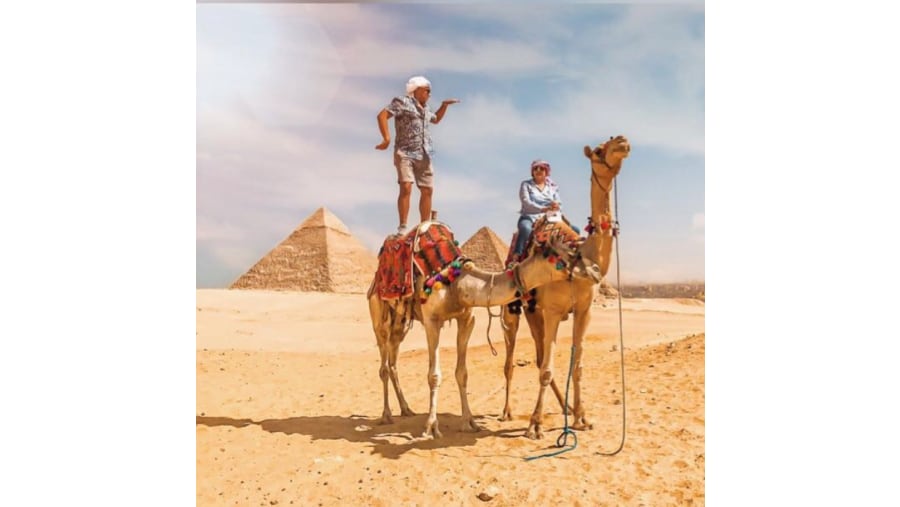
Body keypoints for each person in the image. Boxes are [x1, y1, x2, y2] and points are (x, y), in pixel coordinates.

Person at [376, 75, 460, 235]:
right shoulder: (402, 102)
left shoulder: (426, 109)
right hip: (405, 152)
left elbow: (435, 120)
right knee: (406, 186)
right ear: (417, 90)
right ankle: (403, 226)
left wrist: (444, 106)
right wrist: (386, 138)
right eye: (427, 91)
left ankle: (424, 226)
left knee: (427, 190)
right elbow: (382, 116)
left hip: (425, 153)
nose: (429, 94)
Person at [512, 159, 573, 258]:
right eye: (535, 168)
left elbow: (559, 203)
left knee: (574, 230)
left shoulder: (552, 187)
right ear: (532, 172)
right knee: (525, 229)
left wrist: (556, 206)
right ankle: (517, 255)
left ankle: (571, 259)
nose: (538, 170)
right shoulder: (526, 185)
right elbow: (526, 202)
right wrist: (543, 209)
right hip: (530, 216)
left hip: (550, 218)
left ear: (546, 172)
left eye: (541, 168)